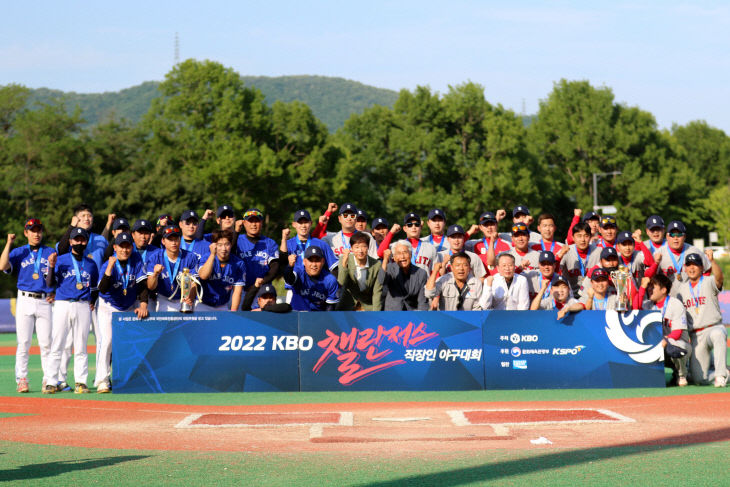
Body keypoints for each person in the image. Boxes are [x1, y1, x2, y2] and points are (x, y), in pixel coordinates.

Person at [0, 219, 56, 393]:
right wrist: (9, 243)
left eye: (39, 230)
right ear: (26, 233)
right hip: (24, 299)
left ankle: (48, 379)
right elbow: (2, 265)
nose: (36, 233)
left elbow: (57, 277)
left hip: (44, 300)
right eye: (32, 230)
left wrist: (55, 292)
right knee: (23, 342)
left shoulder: (50, 252)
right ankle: (21, 379)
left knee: (46, 343)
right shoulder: (18, 252)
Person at [44, 227, 99, 394]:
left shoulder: (91, 263)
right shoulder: (60, 260)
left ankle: (80, 381)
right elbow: (49, 284)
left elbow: (95, 286)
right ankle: (52, 381)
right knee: (58, 344)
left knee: (81, 345)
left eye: (82, 240)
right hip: (62, 303)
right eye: (77, 240)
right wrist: (52, 267)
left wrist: (93, 301)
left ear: (86, 242)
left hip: (82, 304)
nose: (80, 242)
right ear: (70, 242)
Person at [95, 232, 149, 393]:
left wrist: (144, 304)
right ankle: (102, 380)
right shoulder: (108, 264)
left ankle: (127, 378)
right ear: (115, 248)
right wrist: (110, 268)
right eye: (121, 246)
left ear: (131, 248)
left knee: (131, 342)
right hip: (108, 306)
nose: (124, 250)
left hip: (129, 306)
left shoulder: (136, 261)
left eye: (127, 246)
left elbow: (142, 286)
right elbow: (102, 288)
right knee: (107, 341)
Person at [675, 251, 727, 387]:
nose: (692, 268)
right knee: (699, 380)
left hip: (713, 327)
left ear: (702, 267)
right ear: (685, 268)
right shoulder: (681, 290)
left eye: (696, 265)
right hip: (696, 336)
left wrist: (713, 261)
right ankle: (726, 372)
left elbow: (719, 279)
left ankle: (721, 375)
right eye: (689, 265)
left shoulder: (709, 281)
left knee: (718, 334)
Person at [638, 273, 691, 387]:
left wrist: (664, 340)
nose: (650, 289)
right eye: (649, 287)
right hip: (658, 345)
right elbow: (636, 308)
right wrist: (642, 288)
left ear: (663, 290)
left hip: (678, 345)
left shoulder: (675, 304)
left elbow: (677, 333)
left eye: (653, 287)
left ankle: (681, 375)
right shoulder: (647, 305)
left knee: (675, 345)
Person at [146, 226, 200, 312]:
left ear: (180, 240)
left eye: (176, 239)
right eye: (170, 239)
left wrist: (190, 297)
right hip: (164, 299)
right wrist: (155, 274)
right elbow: (151, 287)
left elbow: (194, 283)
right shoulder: (155, 258)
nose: (174, 243)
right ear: (163, 241)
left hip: (184, 299)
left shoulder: (190, 257)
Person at [653, 220, 710, 295]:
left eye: (679, 234)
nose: (676, 238)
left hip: (690, 299)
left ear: (684, 237)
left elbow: (707, 269)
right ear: (667, 236)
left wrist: (700, 287)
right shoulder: (658, 254)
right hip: (667, 300)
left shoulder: (694, 251)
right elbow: (651, 277)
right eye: (672, 234)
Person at [197, 229, 246, 311]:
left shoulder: (239, 263)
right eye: (220, 245)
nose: (224, 248)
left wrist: (233, 312)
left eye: (227, 244)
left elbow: (237, 291)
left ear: (231, 245)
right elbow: (203, 276)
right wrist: (212, 254)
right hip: (202, 304)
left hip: (222, 305)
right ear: (214, 245)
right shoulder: (206, 257)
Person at [281, 246, 339, 311]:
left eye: (317, 260)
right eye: (310, 260)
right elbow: (289, 279)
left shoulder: (330, 280)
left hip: (318, 318)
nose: (314, 264)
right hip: (297, 315)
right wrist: (289, 267)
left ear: (323, 261)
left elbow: (330, 307)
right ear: (304, 261)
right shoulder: (299, 272)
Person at [336, 232, 383, 311]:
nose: (360, 250)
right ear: (351, 248)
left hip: (368, 305)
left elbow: (377, 292)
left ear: (368, 247)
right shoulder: (344, 259)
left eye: (364, 246)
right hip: (348, 304)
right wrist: (344, 264)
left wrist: (376, 314)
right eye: (357, 247)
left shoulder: (376, 265)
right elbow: (341, 282)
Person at [236, 208, 280, 291]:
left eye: (256, 221)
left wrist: (260, 283)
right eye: (250, 221)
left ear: (262, 223)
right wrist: (236, 231)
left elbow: (275, 267)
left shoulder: (270, 243)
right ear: (244, 223)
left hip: (262, 291)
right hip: (240, 290)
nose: (254, 224)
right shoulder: (237, 241)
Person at [379, 241, 429, 311]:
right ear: (394, 257)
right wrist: (385, 260)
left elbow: (422, 300)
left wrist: (422, 316)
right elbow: (381, 280)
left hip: (412, 312)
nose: (402, 257)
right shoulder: (390, 268)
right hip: (392, 312)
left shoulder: (421, 273)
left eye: (405, 252)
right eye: (398, 254)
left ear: (411, 255)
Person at [560, 221, 601, 297]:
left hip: (592, 295)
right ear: (573, 237)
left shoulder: (599, 252)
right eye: (579, 236)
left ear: (590, 236)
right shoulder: (566, 251)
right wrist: (560, 256)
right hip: (569, 295)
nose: (583, 240)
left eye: (586, 236)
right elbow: (554, 270)